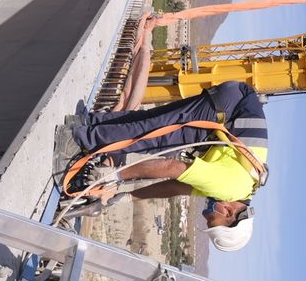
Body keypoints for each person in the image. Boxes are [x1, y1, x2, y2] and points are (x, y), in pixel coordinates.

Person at [58, 81, 268, 251]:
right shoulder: (227, 188)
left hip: (231, 103)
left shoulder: (236, 190)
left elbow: (175, 186)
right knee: (150, 138)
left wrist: (126, 197)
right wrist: (115, 177)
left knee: (151, 122)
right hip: (228, 108)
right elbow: (170, 168)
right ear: (228, 213)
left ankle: (87, 123)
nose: (205, 216)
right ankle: (75, 139)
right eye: (211, 220)